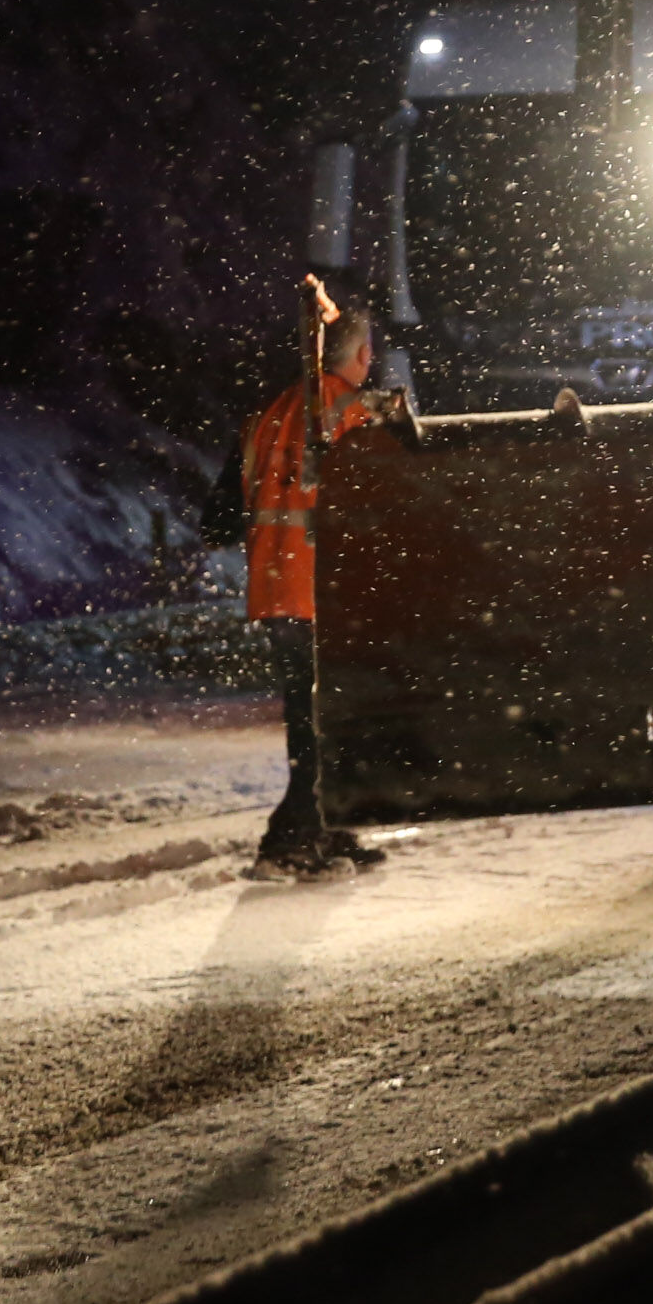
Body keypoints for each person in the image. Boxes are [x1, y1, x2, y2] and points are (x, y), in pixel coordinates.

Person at [241, 290, 387, 878]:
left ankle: (331, 831)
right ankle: (290, 841)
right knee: (323, 726)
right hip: (322, 589)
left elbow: (232, 506)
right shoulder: (351, 412)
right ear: (362, 355)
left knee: (310, 718)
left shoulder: (270, 412)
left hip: (275, 587)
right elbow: (377, 505)